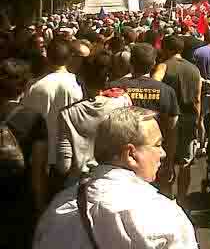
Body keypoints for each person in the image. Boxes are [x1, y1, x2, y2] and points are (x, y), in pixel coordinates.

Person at [33, 106, 197, 249]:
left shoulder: (58, 208)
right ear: (131, 154)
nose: (163, 153)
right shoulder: (163, 214)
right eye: (158, 145)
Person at [108, 43, 179, 191]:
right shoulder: (166, 91)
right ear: (153, 63)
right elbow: (172, 128)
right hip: (153, 153)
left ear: (131, 62)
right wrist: (169, 161)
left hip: (121, 155)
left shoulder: (114, 87)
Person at [56, 52, 132, 183]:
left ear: (80, 79)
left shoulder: (67, 114)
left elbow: (64, 166)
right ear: (108, 78)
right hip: (114, 181)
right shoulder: (123, 102)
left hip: (78, 185)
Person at [23, 38, 84, 191]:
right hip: (70, 156)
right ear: (69, 58)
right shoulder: (77, 86)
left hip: (40, 159)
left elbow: (26, 120)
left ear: (47, 57)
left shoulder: (35, 86)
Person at [0, 59, 48, 249]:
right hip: (19, 201)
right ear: (25, 85)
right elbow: (37, 170)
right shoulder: (34, 119)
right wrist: (41, 206)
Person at [153, 35, 202, 205]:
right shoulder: (194, 69)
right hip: (189, 119)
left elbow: (154, 85)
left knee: (166, 161)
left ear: (166, 49)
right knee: (185, 163)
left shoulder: (163, 66)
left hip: (167, 120)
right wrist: (200, 121)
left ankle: (167, 198)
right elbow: (197, 99)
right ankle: (182, 200)